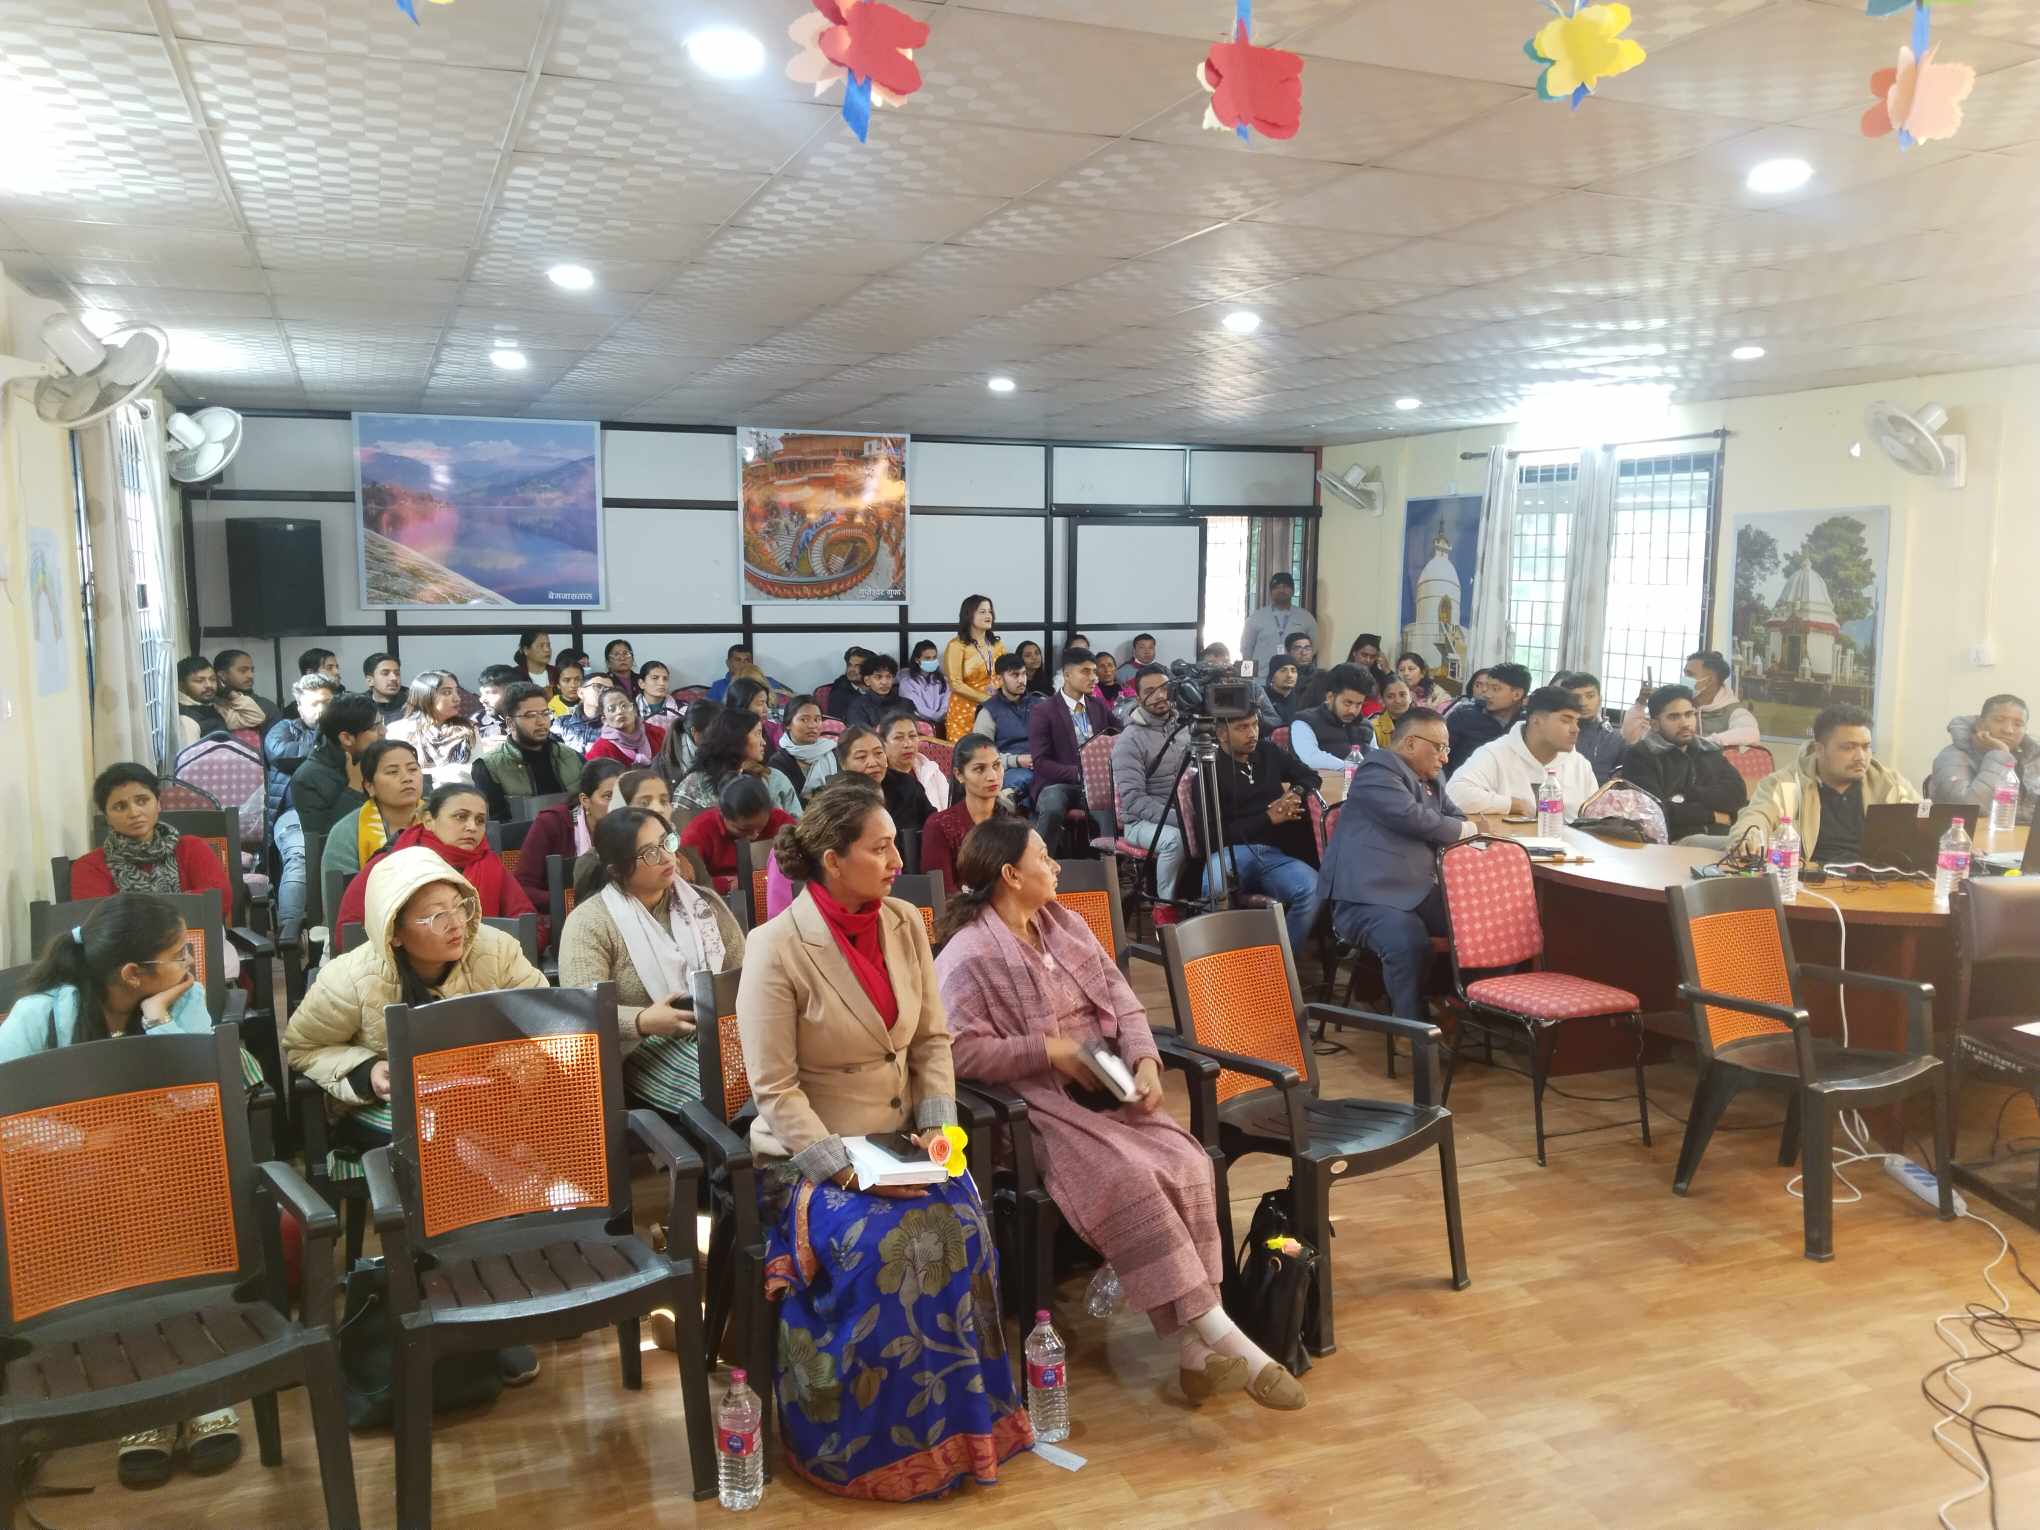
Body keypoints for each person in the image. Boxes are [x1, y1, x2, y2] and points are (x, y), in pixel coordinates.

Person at [936, 820, 1305, 1410]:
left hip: (1111, 1090)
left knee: (1189, 1161)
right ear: (1010, 875)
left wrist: (1146, 1062)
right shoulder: (969, 953)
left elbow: (1126, 1006)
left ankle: (1196, 1353)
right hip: (1040, 1108)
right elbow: (957, 1052)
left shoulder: (1065, 925)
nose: (1055, 865)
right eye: (1043, 857)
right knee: (1130, 1177)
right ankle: (1221, 1334)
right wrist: (1049, 1051)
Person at [735, 785, 1029, 1499]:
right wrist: (840, 1169)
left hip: (900, 1142)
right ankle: (862, 1448)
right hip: (813, 1155)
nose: (899, 859)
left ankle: (965, 1432)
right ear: (833, 861)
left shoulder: (902, 922)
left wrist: (938, 1126)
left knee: (964, 1223)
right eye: (881, 847)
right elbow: (774, 1088)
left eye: (896, 843)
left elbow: (931, 1040)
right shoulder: (776, 947)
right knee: (879, 1247)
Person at [3, 895, 259, 1481]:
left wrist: (160, 1019)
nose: (191, 963)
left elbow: (200, 1097)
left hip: (161, 1170)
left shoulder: (181, 997)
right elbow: (5, 1118)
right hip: (69, 1181)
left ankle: (195, 1384)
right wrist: (83, 1142)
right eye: (178, 954)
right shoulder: (41, 1014)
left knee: (179, 1195)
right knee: (127, 1206)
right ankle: (146, 1394)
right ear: (131, 973)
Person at [284, 847, 549, 1389]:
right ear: (396, 933)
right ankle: (465, 1302)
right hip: (388, 1108)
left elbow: (543, 1019)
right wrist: (367, 1070)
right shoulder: (350, 978)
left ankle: (486, 1293)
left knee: (497, 1139)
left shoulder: (496, 951)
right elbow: (302, 1046)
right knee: (446, 1150)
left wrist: (513, 1063)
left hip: (483, 1101)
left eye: (460, 907)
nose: (456, 924)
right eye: (434, 916)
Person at [559, 805, 742, 1120]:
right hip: (641, 1047)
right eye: (650, 853)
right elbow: (580, 1011)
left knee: (782, 1069)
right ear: (617, 870)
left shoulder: (703, 905)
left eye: (666, 842)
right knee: (728, 1090)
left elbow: (743, 974)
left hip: (721, 1029)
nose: (668, 857)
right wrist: (641, 1021)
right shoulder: (590, 923)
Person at [1320, 708, 1476, 1022]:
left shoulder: (1432, 777)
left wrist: (1453, 826)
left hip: (1420, 889)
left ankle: (1461, 1006)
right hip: (1368, 897)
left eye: (1447, 749)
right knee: (1407, 942)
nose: (1445, 758)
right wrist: (1461, 829)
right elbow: (1413, 818)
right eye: (1440, 747)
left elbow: (1454, 817)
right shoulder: (1376, 770)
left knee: (1484, 923)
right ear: (1410, 743)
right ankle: (1412, 1032)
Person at [331, 780, 544, 946]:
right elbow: (349, 935)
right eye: (461, 817)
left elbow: (530, 927)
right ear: (428, 820)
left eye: (480, 820)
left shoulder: (490, 865)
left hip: (484, 975)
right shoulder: (390, 864)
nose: (472, 827)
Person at [1730, 703, 1918, 865]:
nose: (1861, 757)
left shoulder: (1889, 783)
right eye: (1848, 747)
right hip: (1813, 881)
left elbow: (1924, 822)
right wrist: (1748, 837)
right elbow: (1757, 816)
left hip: (1875, 882)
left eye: (1866, 747)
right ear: (1819, 749)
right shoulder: (1785, 783)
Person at [1197, 710, 1323, 949]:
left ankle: (1280, 960)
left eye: (1254, 725)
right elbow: (1211, 836)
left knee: (1313, 889)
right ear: (1222, 734)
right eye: (1242, 728)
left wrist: (1294, 793)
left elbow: (1310, 776)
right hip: (1231, 851)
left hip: (1275, 853)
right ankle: (1217, 958)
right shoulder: (1208, 769)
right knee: (1215, 887)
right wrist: (1267, 818)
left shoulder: (1268, 752)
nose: (1252, 733)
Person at [69, 762, 233, 924]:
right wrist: (183, 905)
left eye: (142, 801)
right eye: (120, 807)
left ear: (158, 803)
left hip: (198, 938)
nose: (134, 813)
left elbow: (217, 902)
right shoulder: (90, 867)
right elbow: (98, 924)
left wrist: (130, 914)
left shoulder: (192, 848)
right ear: (107, 817)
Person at [1445, 685, 1597, 821]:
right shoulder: (1495, 753)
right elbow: (1454, 794)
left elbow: (1597, 818)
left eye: (1577, 722)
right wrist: (1512, 804)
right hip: (1509, 842)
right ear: (1536, 721)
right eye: (1566, 720)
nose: (1575, 729)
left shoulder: (1580, 765)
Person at [1617, 685, 1748, 842]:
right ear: (1655, 724)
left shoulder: (1708, 750)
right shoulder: (1641, 755)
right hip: (1669, 842)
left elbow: (1737, 796)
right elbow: (1653, 812)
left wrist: (1689, 794)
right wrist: (1712, 815)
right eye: (1674, 717)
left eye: (1689, 714)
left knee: (1750, 845)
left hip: (1720, 835)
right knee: (1737, 846)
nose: (1685, 723)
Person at [1026, 646, 1120, 855]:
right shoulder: (1043, 710)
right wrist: (1079, 774)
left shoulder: (1098, 706)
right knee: (1052, 805)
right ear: (1067, 674)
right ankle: (1040, 861)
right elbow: (1040, 762)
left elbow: (1121, 734)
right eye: (1085, 671)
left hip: (1098, 785)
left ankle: (1110, 866)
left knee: (1110, 809)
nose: (1093, 677)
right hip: (1059, 783)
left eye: (1094, 671)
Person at [1112, 665, 1190, 910]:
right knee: (1175, 840)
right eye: (1150, 691)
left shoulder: (1187, 728)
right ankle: (1164, 908)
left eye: (1164, 688)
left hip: (1186, 815)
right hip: (1140, 822)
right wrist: (1182, 819)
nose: (1159, 696)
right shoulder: (1129, 739)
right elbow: (1134, 800)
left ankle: (1208, 903)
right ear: (1138, 698)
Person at [513, 757, 629, 908]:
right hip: (563, 914)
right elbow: (522, 887)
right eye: (608, 796)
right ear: (585, 800)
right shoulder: (552, 823)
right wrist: (568, 901)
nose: (618, 805)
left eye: (623, 797)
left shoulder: (635, 828)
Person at [470, 681, 584, 821]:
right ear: (510, 723)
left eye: (545, 713)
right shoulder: (488, 767)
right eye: (530, 715)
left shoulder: (572, 756)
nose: (541, 722)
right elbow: (496, 825)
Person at [322, 739, 423, 888]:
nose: (407, 778)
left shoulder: (442, 817)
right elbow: (338, 895)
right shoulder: (347, 832)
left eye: (413, 769)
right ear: (370, 787)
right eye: (392, 772)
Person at [1929, 694, 2039, 825]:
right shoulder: (1952, 757)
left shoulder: (2032, 758)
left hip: (2023, 836)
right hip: (1969, 835)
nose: (2008, 730)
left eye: (2018, 724)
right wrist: (2000, 754)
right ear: (1980, 724)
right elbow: (1971, 808)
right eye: (1999, 720)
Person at [919, 735, 1010, 894]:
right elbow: (942, 893)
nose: (992, 776)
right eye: (979, 769)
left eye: (996, 765)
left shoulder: (1012, 823)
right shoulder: (939, 827)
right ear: (959, 774)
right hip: (962, 908)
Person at [672, 707, 803, 818]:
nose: (763, 742)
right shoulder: (696, 783)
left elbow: (798, 826)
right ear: (736, 737)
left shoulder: (773, 778)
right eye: (757, 734)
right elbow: (677, 830)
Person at [289, 691, 383, 842]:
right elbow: (322, 842)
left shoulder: (378, 758)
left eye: (382, 724)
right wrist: (353, 788)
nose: (384, 732)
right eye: (374, 728)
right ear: (346, 738)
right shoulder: (308, 778)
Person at [680, 774, 796, 885]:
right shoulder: (699, 833)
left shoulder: (782, 822)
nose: (755, 835)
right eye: (744, 830)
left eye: (761, 828)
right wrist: (725, 884)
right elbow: (687, 881)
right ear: (723, 816)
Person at [1637, 651, 1758, 748]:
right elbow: (1639, 737)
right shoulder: (1680, 703)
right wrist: (1643, 703)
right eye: (1685, 673)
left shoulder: (1735, 711)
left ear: (1709, 680)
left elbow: (1750, 733)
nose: (1684, 678)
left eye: (1690, 674)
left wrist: (1701, 743)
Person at [264, 672, 338, 826]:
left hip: (339, 809)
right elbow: (279, 753)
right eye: (314, 704)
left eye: (327, 703)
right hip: (294, 812)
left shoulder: (346, 731)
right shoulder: (286, 728)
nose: (322, 709)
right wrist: (328, 748)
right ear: (300, 708)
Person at [969, 652, 1042, 803]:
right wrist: (1016, 760)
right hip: (1011, 770)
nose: (1021, 680)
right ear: (999, 679)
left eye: (1023, 674)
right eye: (1015, 675)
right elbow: (980, 756)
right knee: (1025, 782)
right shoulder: (988, 712)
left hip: (1044, 766)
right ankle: (1011, 799)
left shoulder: (1040, 704)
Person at [383, 669, 478, 782]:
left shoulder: (468, 729)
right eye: (447, 692)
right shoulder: (398, 731)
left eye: (457, 692)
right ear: (426, 697)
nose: (457, 698)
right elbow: (397, 773)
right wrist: (452, 773)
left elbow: (476, 771)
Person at [1553, 669, 1646, 784]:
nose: (1583, 703)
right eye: (1576, 698)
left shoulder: (1614, 739)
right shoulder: (1554, 734)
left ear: (1600, 698)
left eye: (1590, 696)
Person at [1445, 661, 1530, 780]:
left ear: (1517, 694)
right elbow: (1441, 758)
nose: (1487, 694)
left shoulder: (1527, 724)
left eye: (1495, 689)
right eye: (1487, 688)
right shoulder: (1463, 716)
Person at [1288, 663, 1376, 771]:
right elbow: (1311, 757)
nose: (1353, 710)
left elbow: (1375, 757)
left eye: (1359, 704)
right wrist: (1351, 769)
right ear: (1330, 697)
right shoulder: (1303, 722)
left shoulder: (1366, 726)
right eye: (1348, 703)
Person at [944, 594, 1004, 741]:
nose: (988, 615)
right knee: (966, 752)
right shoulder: (956, 646)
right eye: (982, 612)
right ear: (969, 615)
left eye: (990, 611)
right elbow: (955, 684)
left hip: (993, 709)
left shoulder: (997, 645)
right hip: (964, 712)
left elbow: (1004, 674)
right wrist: (986, 699)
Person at [1239, 571, 1318, 677]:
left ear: (1293, 591)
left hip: (1295, 679)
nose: (1281, 590)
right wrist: (1249, 678)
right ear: (1271, 592)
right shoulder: (1256, 617)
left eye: (1285, 587)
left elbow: (1313, 647)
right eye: (1277, 587)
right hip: (1262, 678)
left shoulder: (1306, 617)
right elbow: (1246, 649)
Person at [768, 694, 838, 802]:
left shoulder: (832, 752)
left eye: (817, 719)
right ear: (788, 724)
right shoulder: (778, 762)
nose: (812, 725)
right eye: (804, 720)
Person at [879, 710, 936, 842]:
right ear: (883, 743)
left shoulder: (932, 770)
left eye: (912, 736)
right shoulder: (879, 779)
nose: (908, 744)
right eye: (899, 738)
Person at [585, 685, 667, 767]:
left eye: (624, 706)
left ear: (634, 710)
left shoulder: (657, 734)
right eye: (612, 709)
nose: (620, 711)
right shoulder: (599, 752)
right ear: (604, 719)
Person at [657, 698, 720, 788]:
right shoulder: (663, 764)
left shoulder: (720, 752)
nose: (720, 738)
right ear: (694, 732)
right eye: (714, 733)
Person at [211, 648, 279, 731]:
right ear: (222, 675)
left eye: (252, 670)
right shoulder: (211, 705)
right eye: (243, 671)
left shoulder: (266, 706)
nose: (251, 676)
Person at [900, 639, 952, 735]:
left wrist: (941, 715)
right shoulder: (907, 682)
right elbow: (918, 707)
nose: (932, 661)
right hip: (918, 725)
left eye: (934, 657)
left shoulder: (942, 680)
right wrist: (935, 716)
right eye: (927, 658)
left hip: (942, 723)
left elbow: (947, 700)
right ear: (917, 660)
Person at [555, 671, 613, 754]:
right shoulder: (562, 723)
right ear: (581, 693)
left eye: (609, 690)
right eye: (598, 686)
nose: (604, 692)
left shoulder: (615, 725)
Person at [175, 655, 229, 745]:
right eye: (199, 681)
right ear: (181, 685)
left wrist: (228, 692)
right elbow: (191, 753)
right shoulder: (186, 720)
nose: (209, 685)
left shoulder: (211, 705)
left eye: (213, 679)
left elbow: (252, 718)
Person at [846, 652, 902, 732]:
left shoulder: (907, 703)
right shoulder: (857, 706)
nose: (884, 682)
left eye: (888, 677)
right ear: (867, 680)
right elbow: (860, 735)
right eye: (878, 677)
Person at [725, 675, 781, 753]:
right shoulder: (722, 733)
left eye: (766, 703)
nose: (766, 709)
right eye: (760, 703)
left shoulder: (772, 730)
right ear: (742, 705)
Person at [822, 645, 866, 722]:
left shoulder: (877, 687)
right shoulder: (839, 691)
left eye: (857, 666)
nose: (851, 669)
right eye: (849, 665)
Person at [637, 660, 685, 730]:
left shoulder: (683, 709)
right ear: (641, 683)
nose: (662, 683)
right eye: (655, 678)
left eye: (665, 679)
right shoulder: (630, 709)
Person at [1258, 656, 1303, 729]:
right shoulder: (1262, 697)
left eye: (1293, 671)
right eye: (1283, 670)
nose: (1289, 675)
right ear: (1272, 676)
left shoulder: (1302, 698)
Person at [362, 652, 407, 724]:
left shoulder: (414, 703)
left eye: (397, 673)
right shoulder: (360, 707)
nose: (394, 678)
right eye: (385, 673)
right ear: (370, 680)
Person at [1372, 677, 1413, 749]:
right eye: (1390, 696)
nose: (1398, 701)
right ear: (1382, 700)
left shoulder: (1422, 724)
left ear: (1411, 697)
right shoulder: (1374, 728)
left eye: (1402, 695)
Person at [512, 630, 557, 695]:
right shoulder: (514, 675)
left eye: (548, 645)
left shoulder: (556, 673)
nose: (547, 649)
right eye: (541, 646)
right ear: (526, 650)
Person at [1093, 651, 1135, 716]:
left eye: (1110, 665)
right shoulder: (1091, 692)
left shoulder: (1126, 690)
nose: (1107, 670)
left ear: (1115, 668)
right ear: (1095, 671)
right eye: (1101, 666)